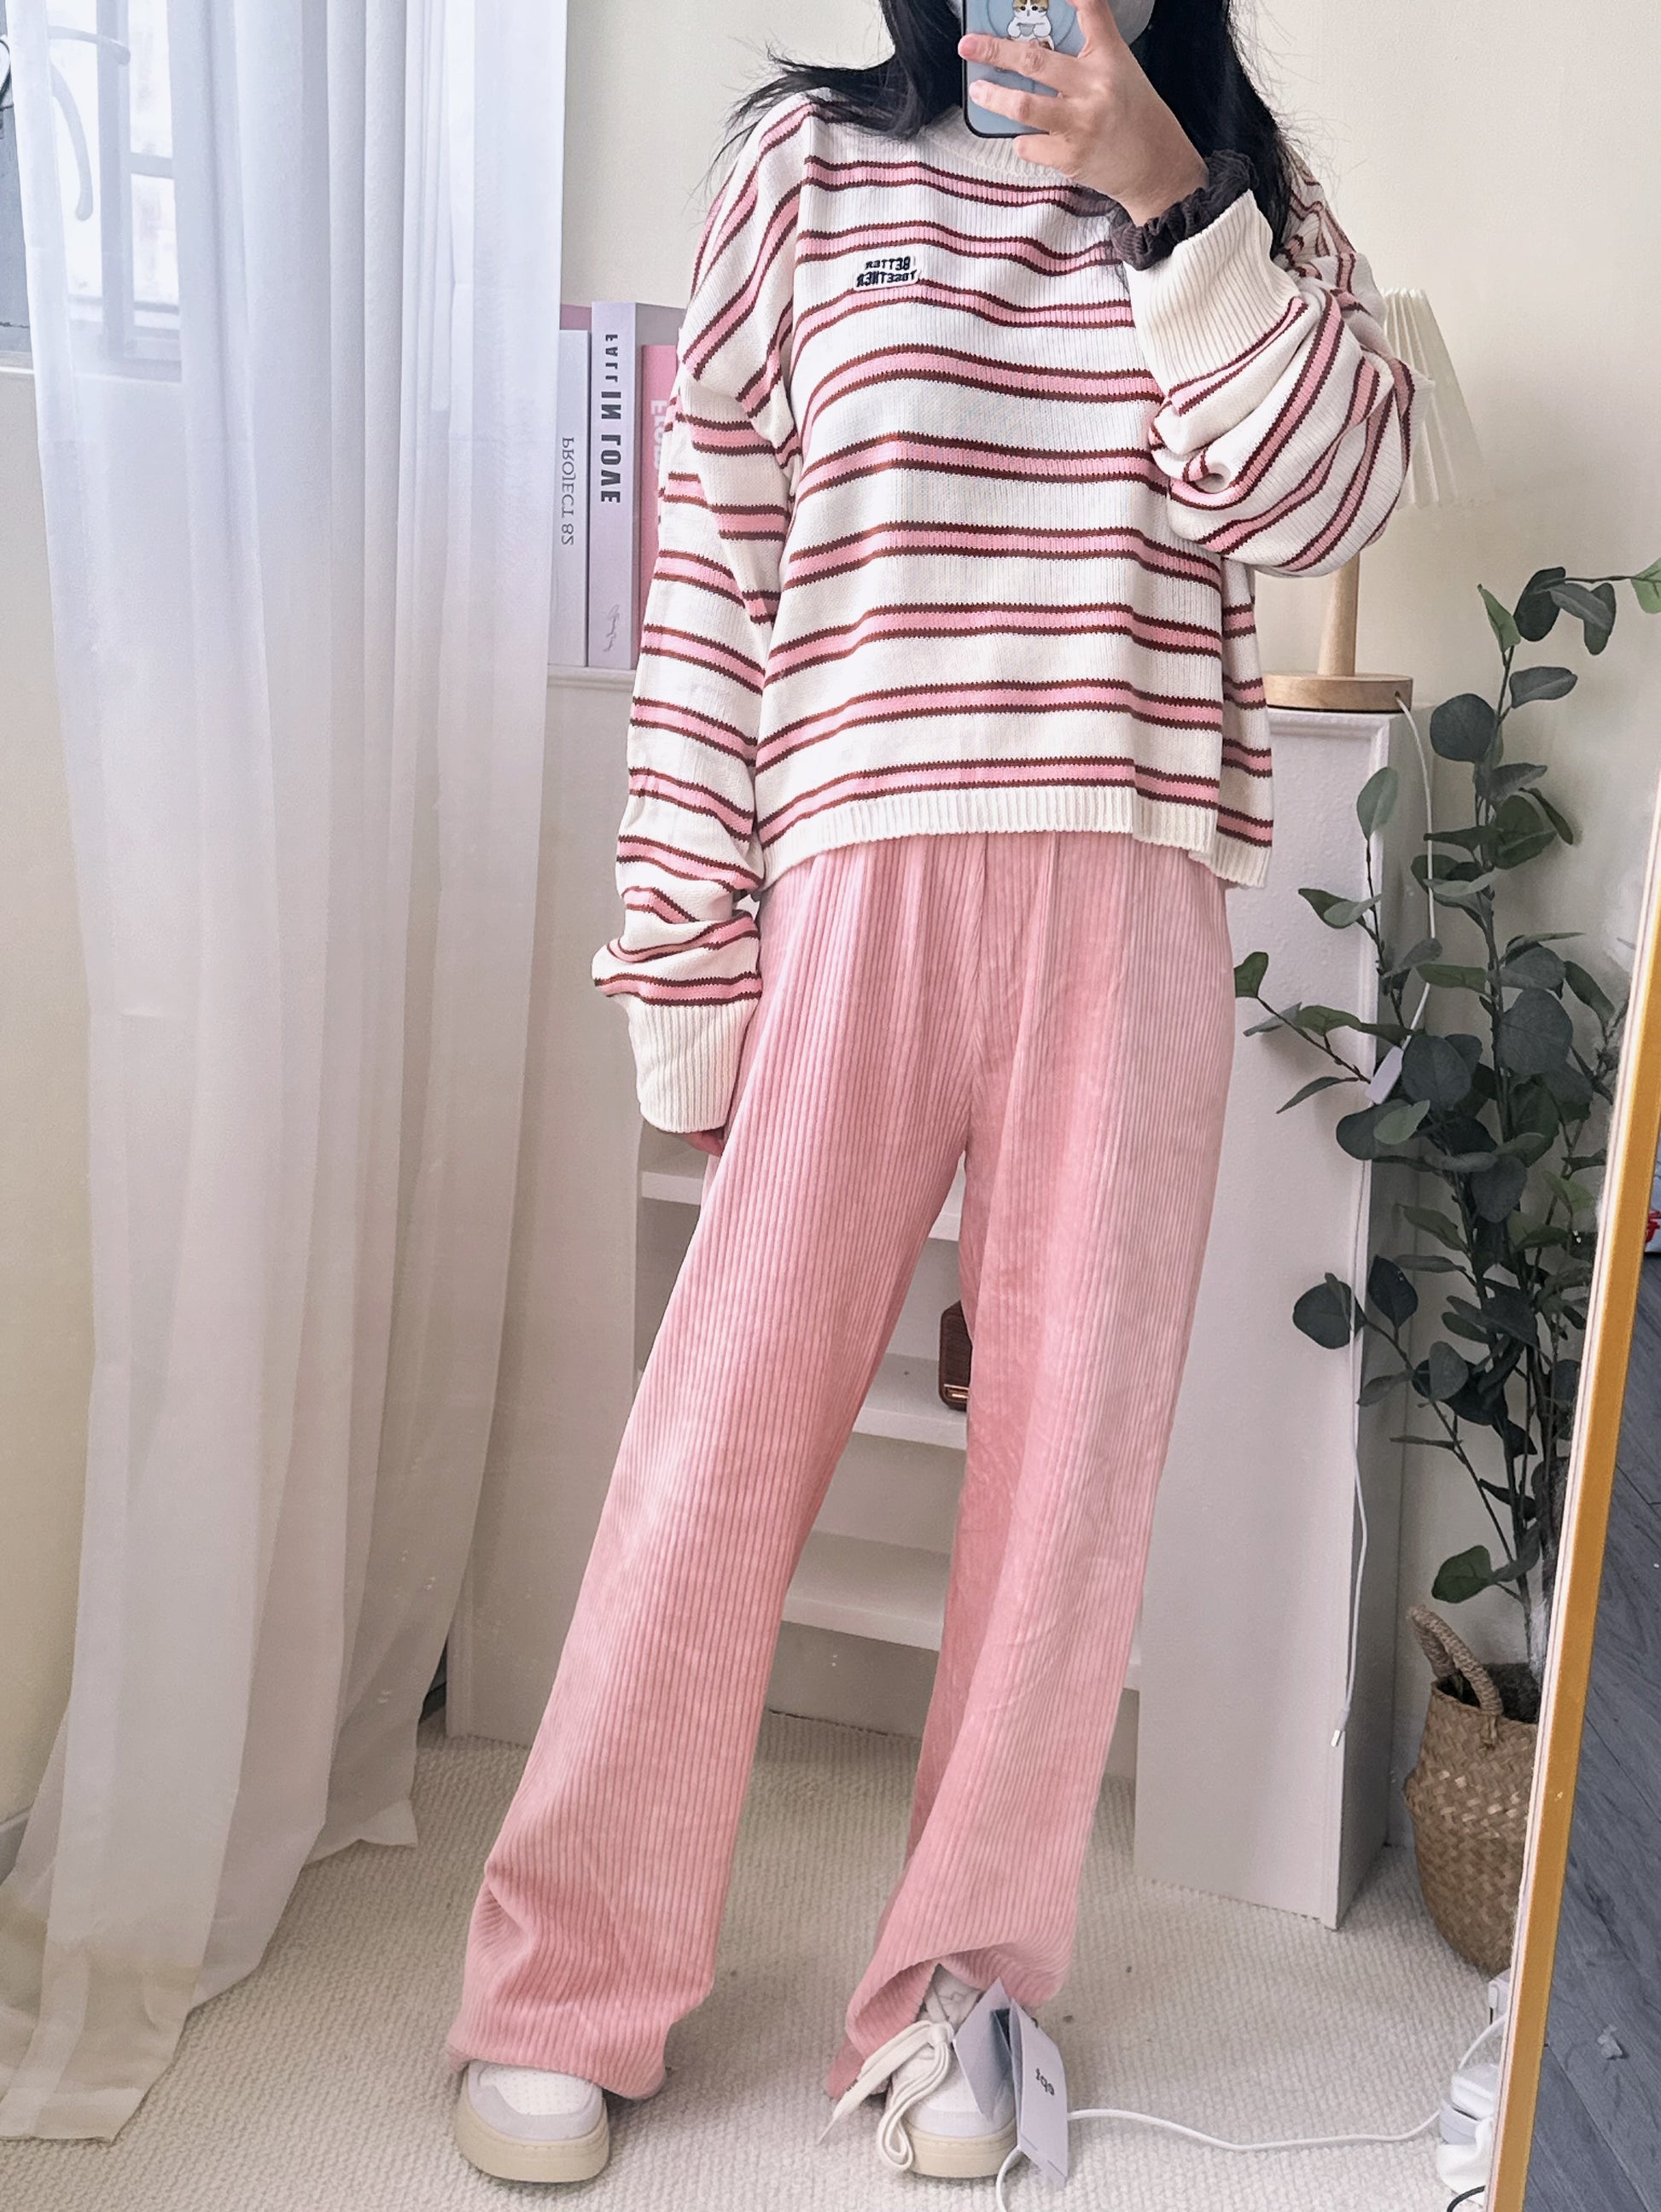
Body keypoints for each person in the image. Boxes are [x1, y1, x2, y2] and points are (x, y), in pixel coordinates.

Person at [446, 0, 1418, 2184]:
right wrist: (685, 948)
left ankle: (960, 1984)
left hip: (1130, 878)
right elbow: (713, 583)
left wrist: (1171, 199)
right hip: (855, 868)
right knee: (718, 1439)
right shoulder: (803, 170)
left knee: (1068, 1475)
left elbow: (1323, 496)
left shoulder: (1247, 202)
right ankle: (566, 1977)